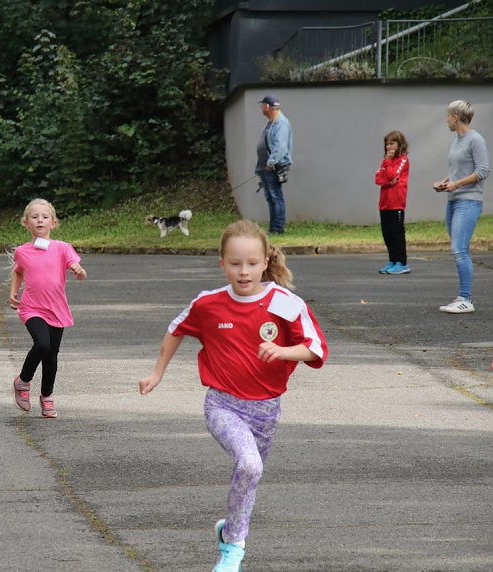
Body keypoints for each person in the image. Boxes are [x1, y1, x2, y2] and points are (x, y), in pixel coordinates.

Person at [138, 219, 328, 572]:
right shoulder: (208, 304)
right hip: (222, 404)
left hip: (267, 410)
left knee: (249, 476)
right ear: (221, 263)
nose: (244, 272)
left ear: (265, 261)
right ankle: (233, 550)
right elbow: (175, 329)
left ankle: (230, 529)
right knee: (249, 464)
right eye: (236, 264)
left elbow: (316, 348)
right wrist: (157, 373)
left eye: (252, 263)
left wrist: (284, 352)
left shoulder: (285, 303)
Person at [9, 198, 87, 418]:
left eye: (45, 217)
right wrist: (13, 292)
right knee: (42, 345)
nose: (40, 220)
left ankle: (47, 397)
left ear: (53, 223)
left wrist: (79, 271)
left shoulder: (62, 248)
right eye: (35, 217)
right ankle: (23, 382)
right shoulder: (22, 252)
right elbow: (17, 271)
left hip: (56, 309)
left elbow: (76, 266)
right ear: (26, 223)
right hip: (31, 308)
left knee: (52, 355)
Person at [433, 100, 490, 314]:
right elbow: (458, 171)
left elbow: (483, 170)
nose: (447, 119)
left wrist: (456, 184)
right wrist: (445, 181)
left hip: (469, 201)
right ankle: (461, 297)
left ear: (456, 117)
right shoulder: (457, 140)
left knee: (459, 250)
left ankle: (466, 298)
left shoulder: (475, 140)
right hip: (454, 200)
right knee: (459, 249)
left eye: (448, 116)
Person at [255, 95, 293, 235]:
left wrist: (271, 162)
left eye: (262, 105)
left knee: (276, 196)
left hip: (273, 166)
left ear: (267, 106)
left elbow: (280, 147)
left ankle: (278, 228)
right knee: (270, 197)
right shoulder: (272, 122)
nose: (261, 108)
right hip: (266, 166)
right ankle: (273, 228)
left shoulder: (281, 123)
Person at [375, 130, 411, 275]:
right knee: (387, 234)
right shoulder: (385, 161)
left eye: (392, 143)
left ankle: (402, 262)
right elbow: (378, 179)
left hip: (396, 203)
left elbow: (393, 174)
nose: (389, 147)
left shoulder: (402, 160)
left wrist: (388, 170)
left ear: (399, 144)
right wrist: (389, 182)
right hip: (384, 203)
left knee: (397, 234)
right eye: (387, 144)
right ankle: (392, 260)